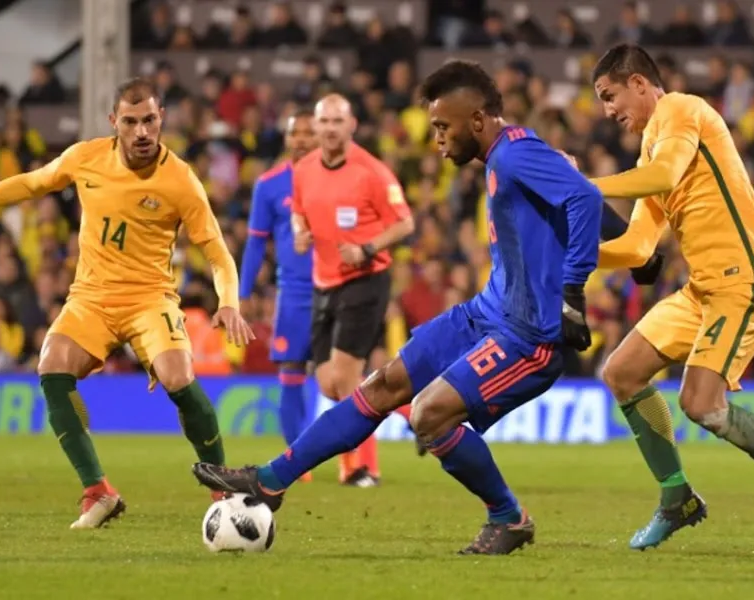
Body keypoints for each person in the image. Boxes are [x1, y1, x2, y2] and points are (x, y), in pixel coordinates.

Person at [191, 60, 602, 555]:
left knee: (429, 416)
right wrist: (645, 255)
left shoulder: (514, 156)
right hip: (486, 312)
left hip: (528, 336)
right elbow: (583, 196)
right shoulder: (506, 155)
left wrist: (573, 291)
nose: (438, 140)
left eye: (443, 127)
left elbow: (585, 199)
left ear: (476, 120)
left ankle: (509, 517)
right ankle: (271, 481)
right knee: (383, 383)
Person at [0, 78, 254, 529]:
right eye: (131, 122)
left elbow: (217, 250)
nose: (142, 131)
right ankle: (98, 491)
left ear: (161, 117)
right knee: (51, 367)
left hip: (150, 297)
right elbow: (31, 184)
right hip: (91, 296)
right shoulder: (85, 156)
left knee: (179, 377)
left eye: (149, 120)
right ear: (114, 123)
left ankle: (221, 486)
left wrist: (229, 301)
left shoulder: (180, 179)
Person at [587, 44, 754, 552]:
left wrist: (582, 186)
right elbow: (637, 247)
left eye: (610, 96)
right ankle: (676, 498)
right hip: (703, 287)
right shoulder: (649, 150)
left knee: (700, 403)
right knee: (621, 371)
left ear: (639, 83)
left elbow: (663, 177)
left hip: (747, 279)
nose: (608, 111)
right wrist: (576, 256)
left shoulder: (683, 109)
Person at [290, 94, 415, 487]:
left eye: (336, 121)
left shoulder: (371, 172)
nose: (329, 129)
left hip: (365, 279)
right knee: (328, 383)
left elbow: (405, 224)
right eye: (323, 122)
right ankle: (413, 409)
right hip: (323, 281)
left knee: (346, 379)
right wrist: (299, 233)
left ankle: (361, 468)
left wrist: (367, 248)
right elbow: (298, 209)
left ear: (352, 125)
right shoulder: (304, 168)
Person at [239, 108, 318, 476]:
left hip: (338, 288)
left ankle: (358, 466)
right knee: (291, 368)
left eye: (308, 131)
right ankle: (297, 461)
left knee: (345, 374)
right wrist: (243, 291)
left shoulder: (337, 179)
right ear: (287, 139)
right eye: (295, 132)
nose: (301, 138)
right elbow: (256, 244)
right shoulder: (269, 185)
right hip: (294, 292)